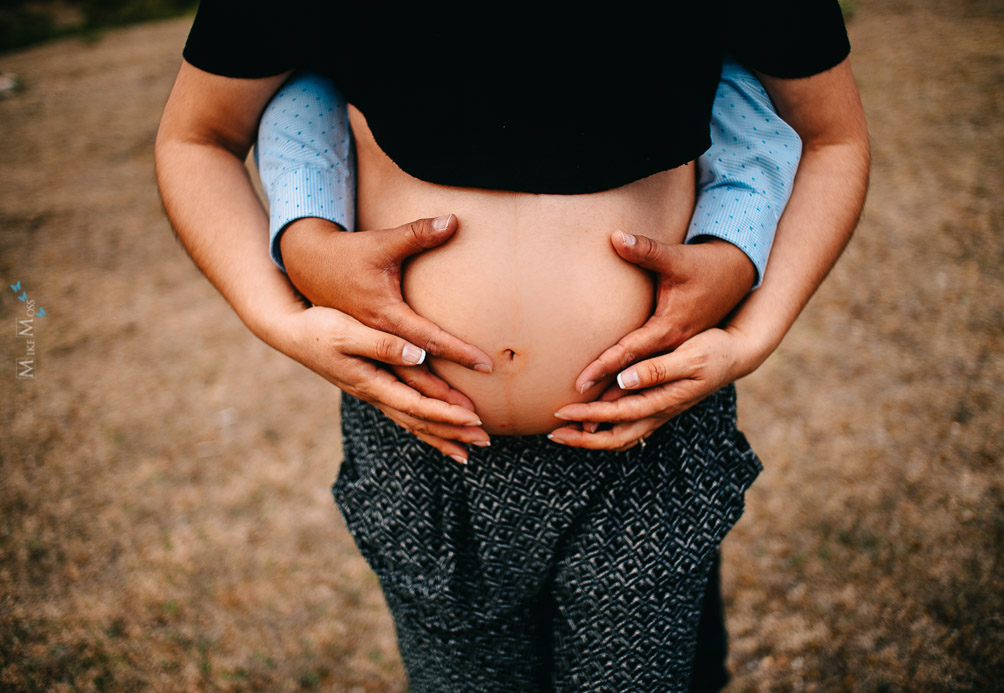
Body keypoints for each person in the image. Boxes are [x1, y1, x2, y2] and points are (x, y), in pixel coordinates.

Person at [155, 3, 869, 689]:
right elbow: (214, 131)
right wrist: (284, 309)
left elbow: (818, 134)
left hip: (643, 444)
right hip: (426, 453)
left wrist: (750, 328)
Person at [255, 61, 800, 690]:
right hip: (429, 450)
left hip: (641, 439)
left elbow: (744, 111)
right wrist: (305, 233)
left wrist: (731, 252)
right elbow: (305, 87)